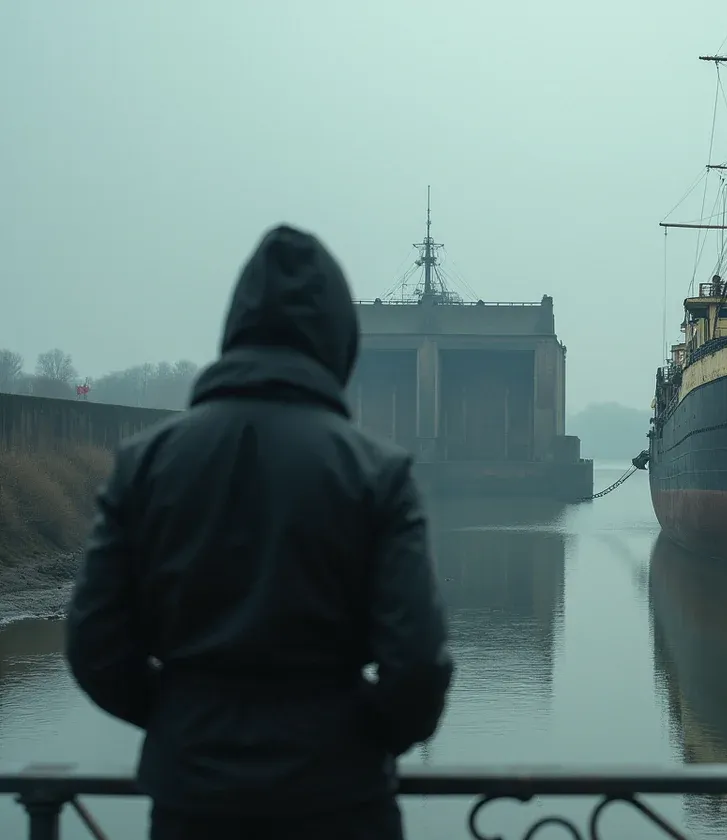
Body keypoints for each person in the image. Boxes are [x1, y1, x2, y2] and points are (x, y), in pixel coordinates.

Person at [64, 225, 453, 840]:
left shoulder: (146, 464)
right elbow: (418, 668)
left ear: (234, 330)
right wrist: (351, 738)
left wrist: (182, 721)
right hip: (341, 805)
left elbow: (94, 645)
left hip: (193, 802)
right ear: (338, 342)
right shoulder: (376, 473)